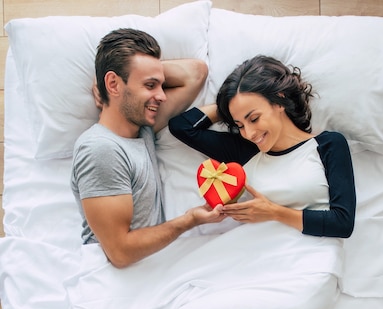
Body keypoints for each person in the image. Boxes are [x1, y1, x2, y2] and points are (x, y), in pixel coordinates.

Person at [71, 28, 225, 268]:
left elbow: (195, 73)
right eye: (151, 85)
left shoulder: (142, 128)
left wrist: (109, 79)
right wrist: (189, 220)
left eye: (162, 85)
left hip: (149, 269)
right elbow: (120, 253)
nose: (162, 96)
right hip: (114, 278)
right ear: (113, 84)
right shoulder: (101, 150)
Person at [168, 55, 356, 238]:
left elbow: (342, 223)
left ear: (279, 100)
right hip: (255, 254)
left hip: (311, 258)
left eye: (254, 118)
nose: (249, 133)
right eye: (239, 125)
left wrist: (274, 212)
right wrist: (230, 106)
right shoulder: (244, 150)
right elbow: (182, 127)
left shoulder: (328, 145)